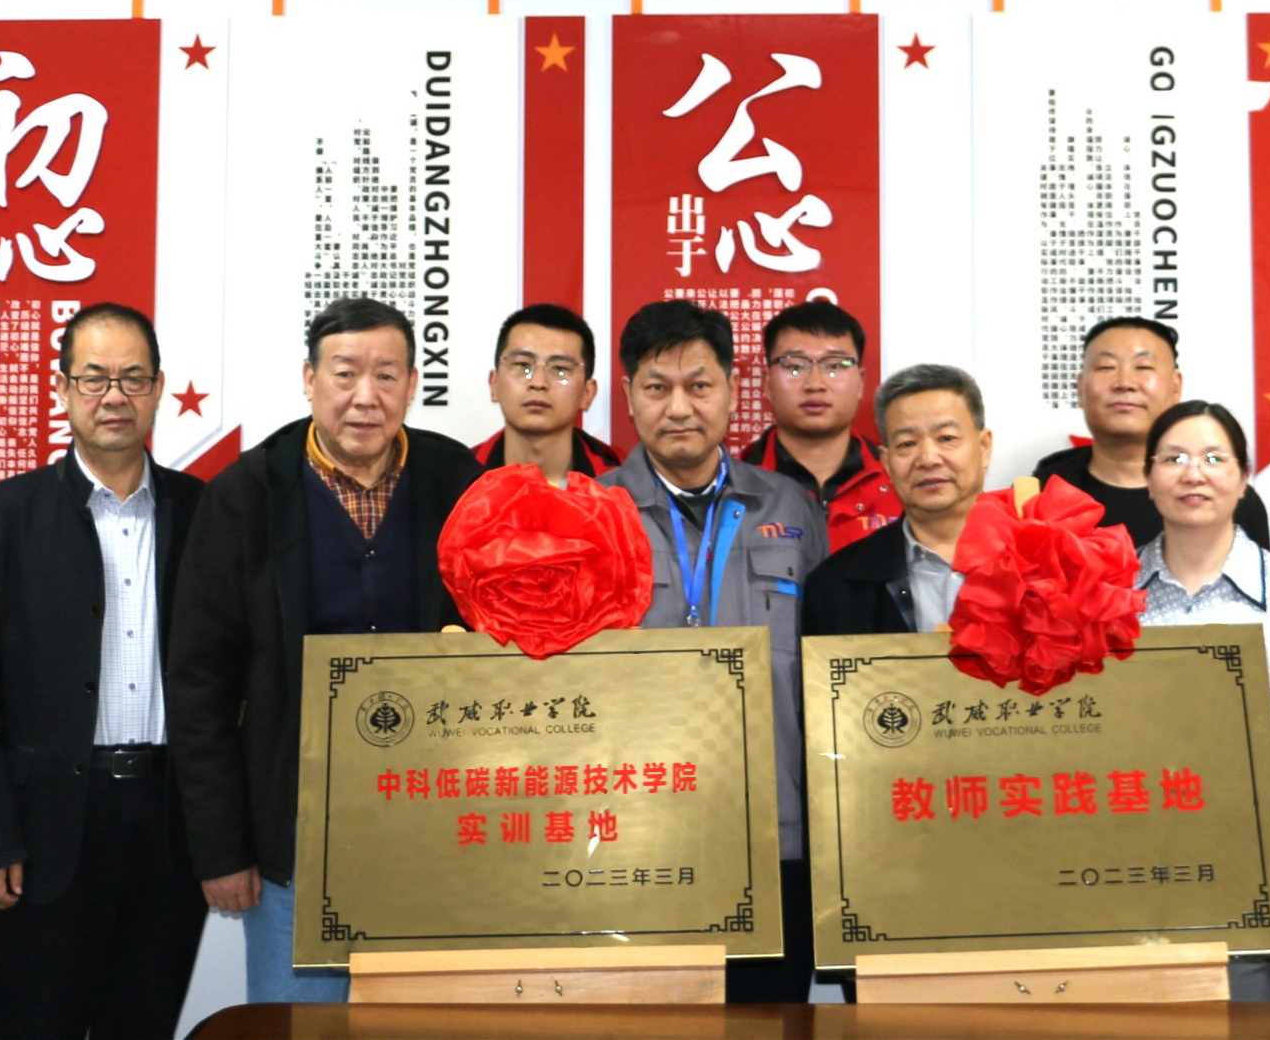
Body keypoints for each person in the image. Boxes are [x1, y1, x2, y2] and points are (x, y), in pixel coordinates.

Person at [168, 296, 484, 1002]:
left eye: (387, 375)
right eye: (345, 374)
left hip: (433, 825)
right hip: (293, 829)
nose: (365, 397)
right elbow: (198, 685)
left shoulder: (456, 480)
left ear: (412, 384)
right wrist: (222, 848)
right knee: (298, 1024)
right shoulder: (247, 494)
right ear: (309, 379)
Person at [0, 303, 208, 1038]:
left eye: (132, 378)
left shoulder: (204, 513)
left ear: (158, 389)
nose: (113, 396)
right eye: (94, 378)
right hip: (46, 828)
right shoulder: (1, 518)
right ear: (61, 389)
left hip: (168, 825)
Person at [599, 299, 826, 1002]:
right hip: (634, 832)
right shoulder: (591, 513)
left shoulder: (791, 509)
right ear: (628, 396)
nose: (679, 408)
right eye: (656, 387)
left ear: (731, 389)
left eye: (699, 385)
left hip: (775, 832)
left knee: (771, 1017)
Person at [1134, 400, 1270, 1001]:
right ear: (1147, 478)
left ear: (1244, 476)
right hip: (1127, 878)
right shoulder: (1109, 593)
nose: (1193, 474)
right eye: (1173, 458)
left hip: (1252, 884)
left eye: (1213, 458)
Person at [1032, 316, 1270, 549]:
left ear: (1175, 387)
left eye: (1143, 367)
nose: (1125, 383)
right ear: (1080, 388)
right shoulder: (1040, 494)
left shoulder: (1221, 497)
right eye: (1106, 367)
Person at [799, 363, 992, 637]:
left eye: (946, 438)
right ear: (887, 462)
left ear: (983, 447)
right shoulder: (833, 586)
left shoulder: (1044, 560)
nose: (928, 458)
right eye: (907, 444)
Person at [739, 301, 897, 551]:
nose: (815, 384)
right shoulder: (735, 486)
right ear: (767, 383)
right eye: (794, 367)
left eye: (834, 366)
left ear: (860, 383)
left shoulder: (899, 480)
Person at [473, 303, 619, 484]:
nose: (538, 383)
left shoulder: (621, 487)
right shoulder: (458, 482)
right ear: (494, 384)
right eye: (523, 365)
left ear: (587, 393)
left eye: (560, 369)